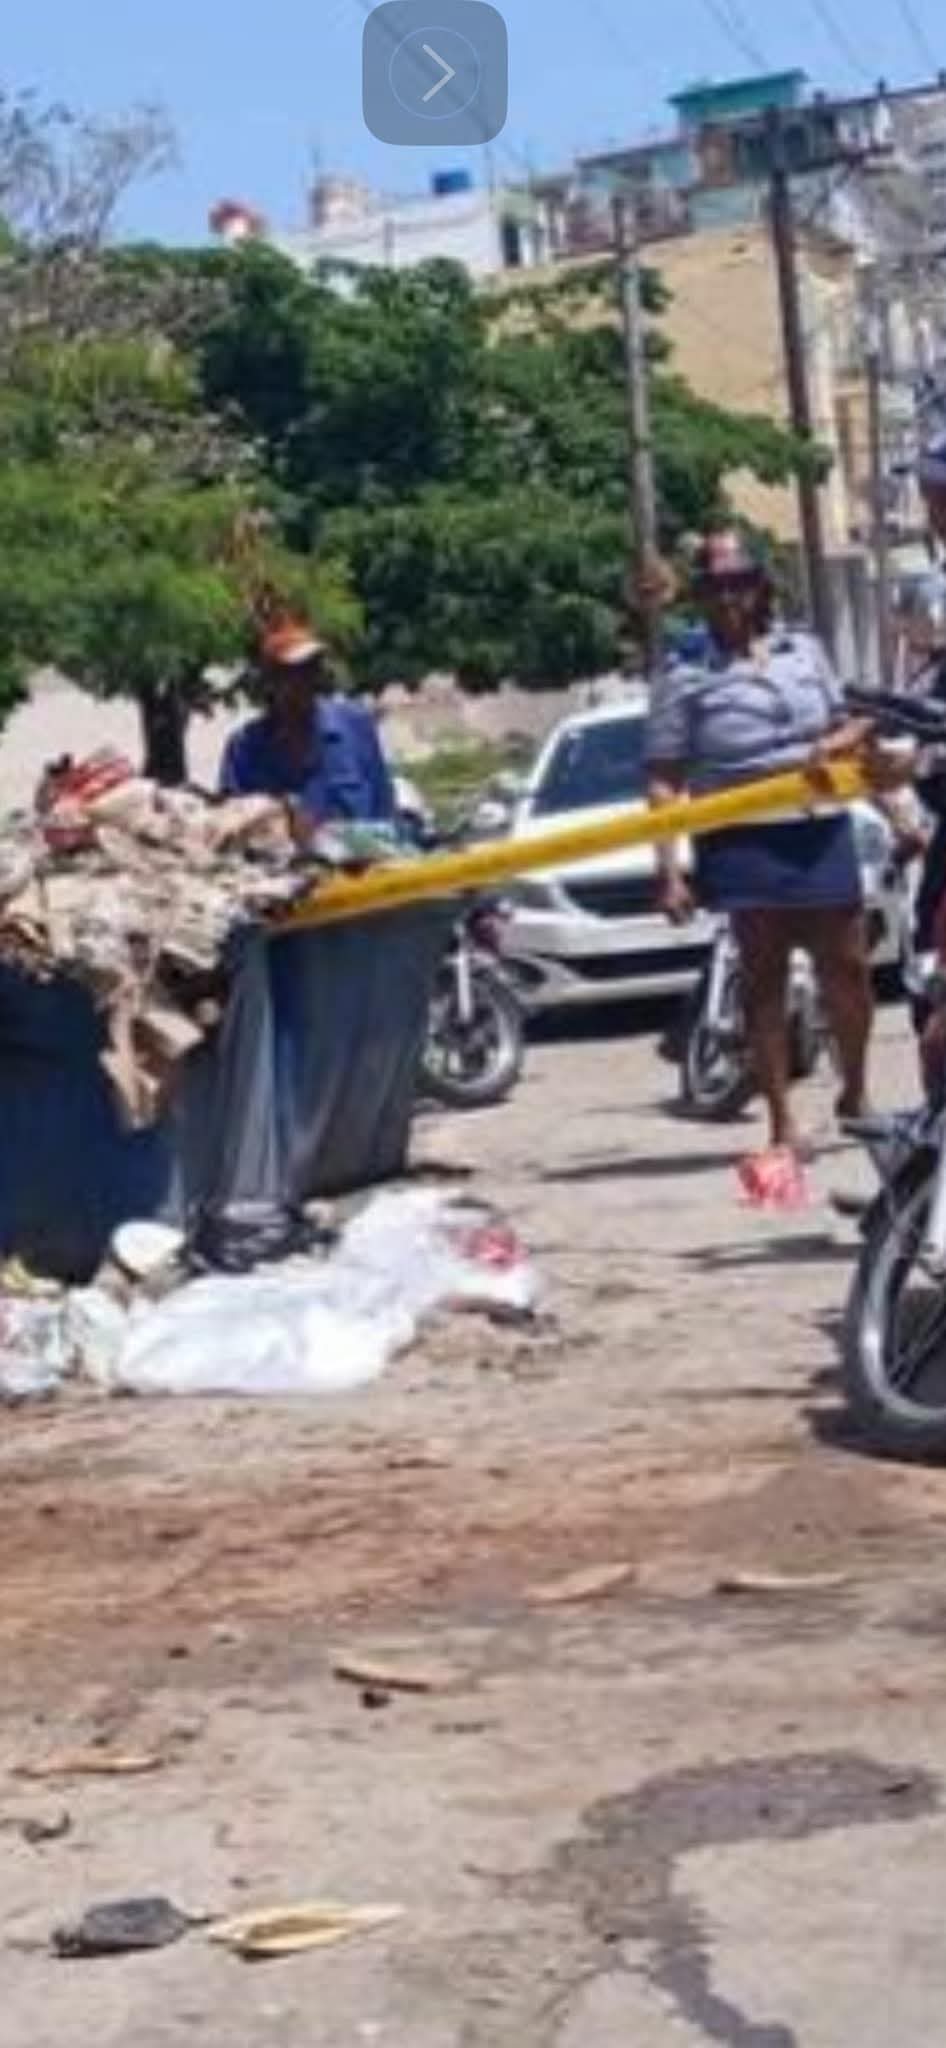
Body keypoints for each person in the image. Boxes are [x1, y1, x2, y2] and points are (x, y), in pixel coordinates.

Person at [646, 530, 875, 1203]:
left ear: (762, 586)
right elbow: (664, 777)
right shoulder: (684, 672)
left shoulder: (803, 650)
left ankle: (856, 1084)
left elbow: (849, 723)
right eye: (717, 585)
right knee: (764, 978)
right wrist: (671, 868)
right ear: (701, 594)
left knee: (850, 967)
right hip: (740, 837)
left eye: (741, 582)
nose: (731, 596)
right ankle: (780, 1114)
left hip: (816, 824)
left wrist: (846, 749)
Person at [220, 617, 396, 827]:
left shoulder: (355, 726)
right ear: (270, 680)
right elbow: (230, 831)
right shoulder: (244, 749)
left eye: (312, 668)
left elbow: (385, 814)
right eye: (293, 673)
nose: (306, 680)